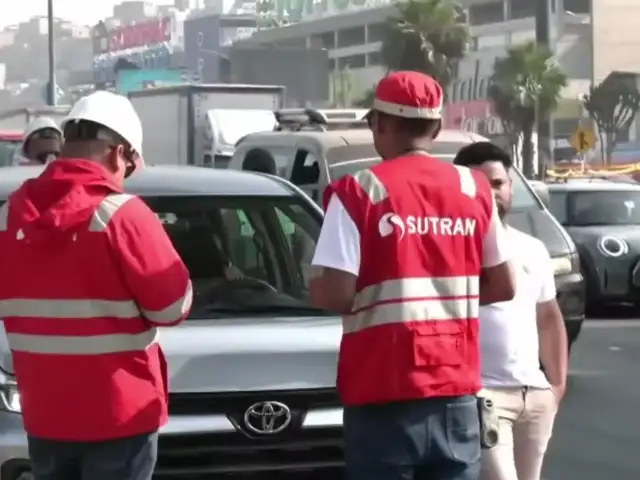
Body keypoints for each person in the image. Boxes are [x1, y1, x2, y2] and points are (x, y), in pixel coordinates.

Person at [309, 71, 515, 480]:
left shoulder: (359, 191)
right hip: (455, 395)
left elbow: (336, 293)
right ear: (436, 127)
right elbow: (503, 285)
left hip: (383, 397)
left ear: (379, 124)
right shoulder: (473, 188)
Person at [0, 91, 193, 480]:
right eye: (132, 166)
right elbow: (172, 308)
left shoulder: (9, 217)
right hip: (119, 416)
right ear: (118, 153)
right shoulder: (123, 216)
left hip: (44, 415)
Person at [454, 142, 568, 480]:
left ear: (511, 187)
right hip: (482, 396)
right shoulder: (451, 248)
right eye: (480, 184)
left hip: (534, 397)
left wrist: (555, 387)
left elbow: (548, 318)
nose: (491, 193)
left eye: (498, 184)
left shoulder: (532, 249)